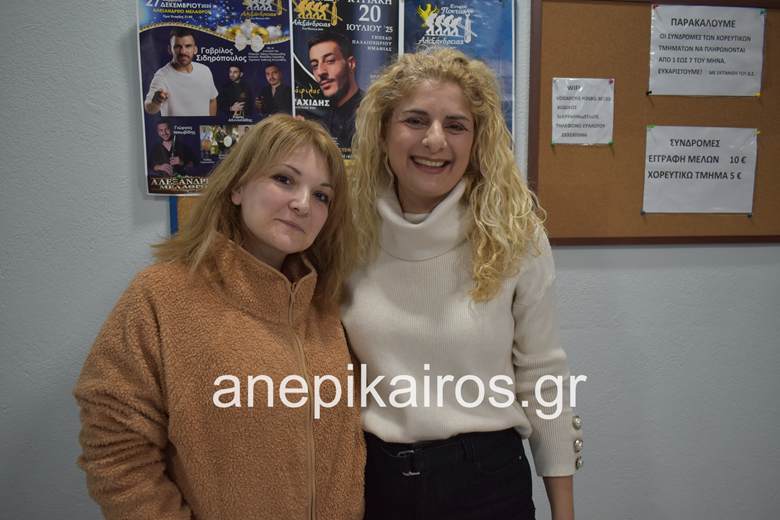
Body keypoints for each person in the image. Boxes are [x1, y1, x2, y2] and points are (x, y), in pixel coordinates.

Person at [75, 115, 365, 519]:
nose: (302, 204)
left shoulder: (325, 307)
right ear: (237, 186)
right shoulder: (162, 296)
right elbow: (114, 449)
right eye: (284, 179)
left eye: (321, 196)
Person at [343, 48, 582, 520]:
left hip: (487, 485)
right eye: (415, 120)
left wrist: (565, 513)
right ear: (383, 131)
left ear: (477, 140)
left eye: (455, 125)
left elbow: (542, 378)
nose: (435, 140)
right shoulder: (346, 231)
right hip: (377, 484)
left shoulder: (514, 234)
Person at [144, 28, 218, 117]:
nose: (183, 51)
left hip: (203, 126)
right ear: (170, 49)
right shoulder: (162, 76)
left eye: (188, 46)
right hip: (177, 126)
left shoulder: (205, 70)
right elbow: (149, 108)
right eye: (177, 47)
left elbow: (212, 100)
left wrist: (210, 122)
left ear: (195, 49)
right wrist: (156, 101)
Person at [308, 31, 363, 149]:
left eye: (330, 61)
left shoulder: (372, 111)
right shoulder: (322, 123)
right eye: (314, 65)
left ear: (351, 64)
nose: (320, 72)